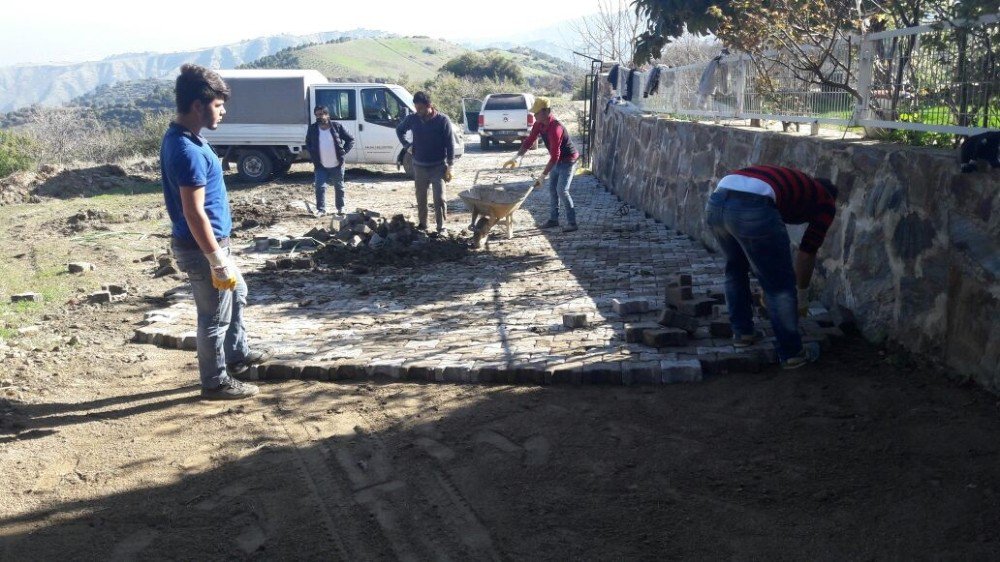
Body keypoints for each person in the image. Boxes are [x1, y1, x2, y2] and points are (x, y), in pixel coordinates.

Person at [161, 64, 271, 400]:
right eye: (218, 105)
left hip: (212, 244)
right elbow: (194, 212)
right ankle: (215, 382)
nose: (223, 111)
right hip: (202, 248)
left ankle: (236, 356)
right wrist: (216, 259)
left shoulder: (188, 140)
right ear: (198, 105)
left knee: (236, 294)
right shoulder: (187, 150)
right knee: (213, 317)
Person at [705, 165, 838, 369]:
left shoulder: (795, 186)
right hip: (752, 203)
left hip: (717, 200)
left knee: (735, 269)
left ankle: (742, 333)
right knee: (780, 285)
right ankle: (792, 353)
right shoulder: (825, 201)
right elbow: (806, 253)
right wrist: (802, 295)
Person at [503, 97, 580, 232]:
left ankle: (572, 223)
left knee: (562, 190)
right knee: (552, 190)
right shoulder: (539, 124)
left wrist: (543, 175)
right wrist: (517, 157)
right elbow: (529, 140)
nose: (534, 115)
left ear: (546, 111)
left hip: (568, 161)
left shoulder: (556, 128)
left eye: (536, 112)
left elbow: (555, 155)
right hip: (556, 161)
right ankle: (553, 220)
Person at [395, 91, 455, 233]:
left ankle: (441, 227)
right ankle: (423, 225)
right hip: (419, 166)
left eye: (420, 108)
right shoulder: (413, 119)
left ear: (429, 106)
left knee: (439, 199)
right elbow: (399, 130)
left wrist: (450, 166)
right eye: (416, 108)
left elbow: (450, 144)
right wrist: (407, 146)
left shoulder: (442, 120)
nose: (418, 111)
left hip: (438, 167)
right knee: (421, 198)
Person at [304, 105, 354, 216]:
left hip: (337, 164)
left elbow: (351, 140)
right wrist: (312, 152)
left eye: (321, 114)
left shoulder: (337, 126)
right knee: (319, 187)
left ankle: (341, 208)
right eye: (317, 115)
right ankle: (321, 210)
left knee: (339, 187)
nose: (319, 117)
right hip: (320, 165)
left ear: (327, 115)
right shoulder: (312, 128)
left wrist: (344, 152)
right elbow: (307, 142)